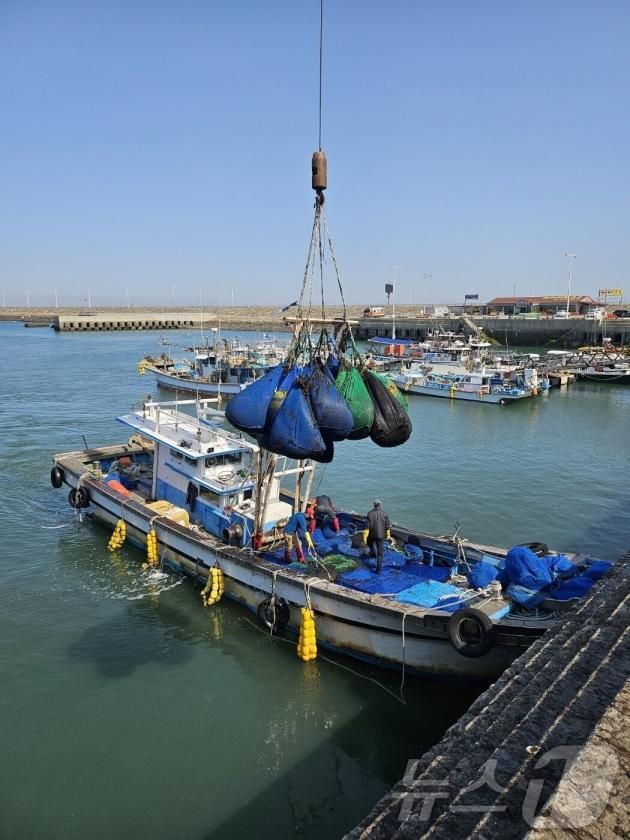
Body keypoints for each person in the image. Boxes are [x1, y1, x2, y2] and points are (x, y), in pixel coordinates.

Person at [365, 499, 391, 574]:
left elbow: (367, 527)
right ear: (380, 505)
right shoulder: (385, 514)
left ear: (374, 505)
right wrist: (388, 535)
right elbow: (387, 527)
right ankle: (378, 571)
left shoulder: (369, 513)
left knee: (369, 542)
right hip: (381, 536)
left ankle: (373, 553)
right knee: (380, 555)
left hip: (372, 535)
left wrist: (365, 537)